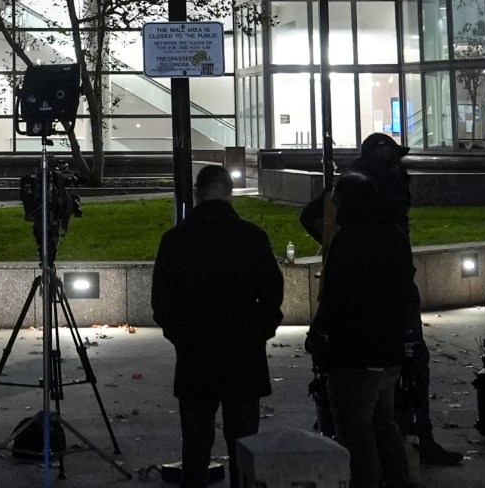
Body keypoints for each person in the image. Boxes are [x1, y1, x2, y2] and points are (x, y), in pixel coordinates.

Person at [152, 164, 285, 488]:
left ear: (197, 194)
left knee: (196, 444)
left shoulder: (175, 240)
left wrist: (180, 336)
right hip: (243, 353)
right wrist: (259, 332)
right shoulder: (252, 237)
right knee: (243, 442)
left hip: (196, 353)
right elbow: (272, 294)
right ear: (230, 192)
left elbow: (161, 301)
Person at [350, 132, 463, 466]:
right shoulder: (387, 186)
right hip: (393, 284)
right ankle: (418, 438)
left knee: (372, 364)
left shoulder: (352, 187)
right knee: (411, 358)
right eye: (395, 157)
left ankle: (384, 439)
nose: (400, 164)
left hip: (367, 286)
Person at [309, 173, 412, 488]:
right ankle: (397, 480)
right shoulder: (393, 233)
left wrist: (320, 335)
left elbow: (338, 297)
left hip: (356, 353)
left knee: (356, 433)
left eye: (337, 201)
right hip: (389, 349)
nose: (334, 208)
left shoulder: (351, 238)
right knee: (384, 424)